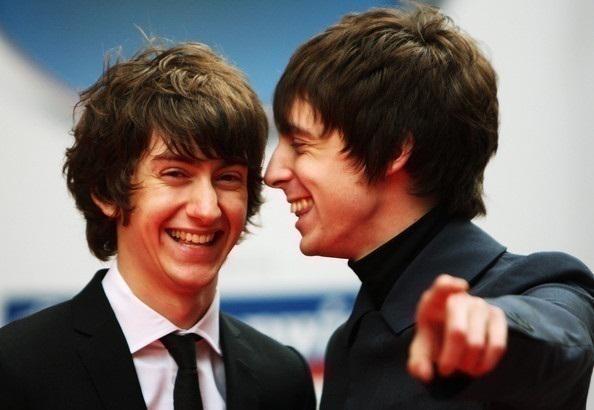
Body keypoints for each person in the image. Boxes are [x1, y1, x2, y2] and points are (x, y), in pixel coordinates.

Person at [264, 5, 594, 409]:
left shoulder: (537, 288)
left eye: (300, 145)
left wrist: (493, 327)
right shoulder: (346, 345)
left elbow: (561, 333)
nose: (272, 172)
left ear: (393, 150)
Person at [0, 42, 315, 410]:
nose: (207, 209)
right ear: (107, 191)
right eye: (176, 174)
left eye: (228, 178)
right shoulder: (18, 367)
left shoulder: (282, 377)